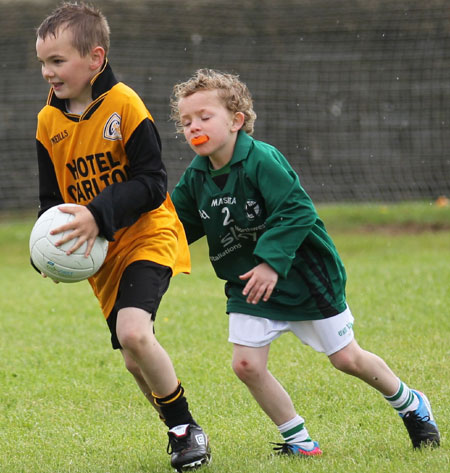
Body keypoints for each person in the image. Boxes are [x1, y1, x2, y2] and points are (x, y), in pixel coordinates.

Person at [169, 68, 440, 456]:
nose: (194, 126)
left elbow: (297, 211)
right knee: (246, 365)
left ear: (236, 120)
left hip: (304, 276)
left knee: (347, 359)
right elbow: (174, 225)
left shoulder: (262, 160)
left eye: (204, 117)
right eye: (186, 121)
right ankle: (300, 443)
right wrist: (139, 250)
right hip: (250, 284)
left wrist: (270, 262)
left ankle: (411, 403)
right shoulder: (195, 178)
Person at [33, 3, 211, 471]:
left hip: (149, 234)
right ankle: (179, 430)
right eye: (43, 63)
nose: (48, 72)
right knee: (135, 360)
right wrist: (48, 252)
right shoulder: (47, 123)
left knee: (134, 332)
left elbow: (153, 183)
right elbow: (51, 202)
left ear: (95, 58)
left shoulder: (124, 105)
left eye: (58, 61)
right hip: (103, 258)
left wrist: (98, 212)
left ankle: (186, 430)